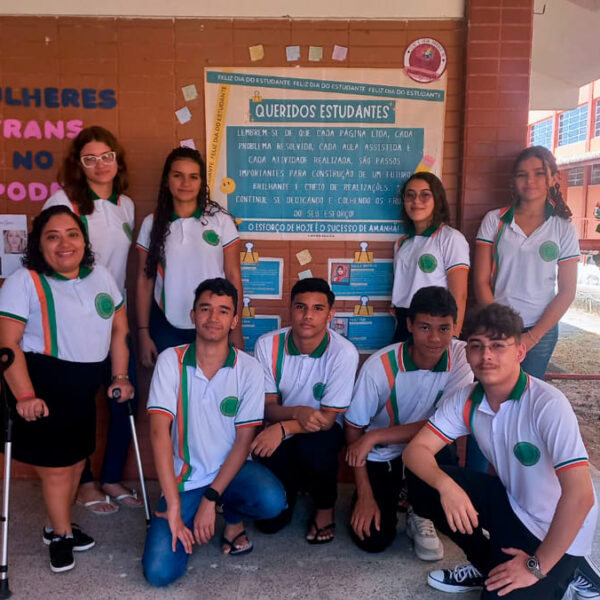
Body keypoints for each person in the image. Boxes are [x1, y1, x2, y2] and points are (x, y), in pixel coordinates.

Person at [403, 303, 597, 599]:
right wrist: (447, 488)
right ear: (466, 353)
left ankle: (570, 571)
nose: (486, 356)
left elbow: (581, 496)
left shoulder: (547, 404)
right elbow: (415, 451)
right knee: (423, 482)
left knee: (502, 595)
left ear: (520, 352)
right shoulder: (467, 398)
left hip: (559, 528)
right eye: (476, 346)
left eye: (498, 346)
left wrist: (535, 567)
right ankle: (487, 565)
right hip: (513, 504)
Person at [0, 205, 134, 573]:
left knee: (77, 460)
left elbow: (120, 330)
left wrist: (120, 376)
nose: (64, 243)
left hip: (84, 389)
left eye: (72, 234)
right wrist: (25, 396)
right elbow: (8, 346)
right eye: (52, 236)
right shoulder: (24, 281)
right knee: (57, 468)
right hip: (42, 387)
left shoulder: (101, 276)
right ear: (39, 244)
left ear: (83, 240)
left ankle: (53, 524)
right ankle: (61, 534)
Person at [141, 278, 286, 587]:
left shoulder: (249, 369)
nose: (213, 318)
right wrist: (175, 506)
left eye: (223, 311)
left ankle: (231, 516)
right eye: (205, 309)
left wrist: (211, 500)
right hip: (185, 480)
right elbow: (158, 435)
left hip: (232, 473)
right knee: (159, 573)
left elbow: (244, 441)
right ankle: (178, 511)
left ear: (235, 320)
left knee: (272, 500)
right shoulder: (171, 360)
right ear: (193, 315)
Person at [43, 125, 140, 514]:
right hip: (74, 319)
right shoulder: (64, 200)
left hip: (115, 317)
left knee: (122, 398)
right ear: (78, 165)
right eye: (90, 159)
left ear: (117, 160)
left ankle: (112, 475)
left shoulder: (127, 205)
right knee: (77, 404)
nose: (100, 165)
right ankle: (83, 482)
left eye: (107, 156)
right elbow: (48, 254)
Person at [344, 287, 473, 558]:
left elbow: (444, 423)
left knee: (457, 522)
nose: (435, 338)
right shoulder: (380, 366)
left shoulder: (462, 357)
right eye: (425, 327)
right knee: (373, 539)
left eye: (444, 328)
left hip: (430, 449)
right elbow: (354, 430)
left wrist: (375, 436)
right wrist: (365, 494)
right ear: (410, 325)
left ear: (455, 327)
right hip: (382, 456)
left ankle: (420, 509)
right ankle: (391, 495)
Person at [251, 278, 359, 544]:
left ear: (330, 314)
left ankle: (324, 507)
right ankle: (292, 491)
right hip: (280, 427)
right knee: (269, 523)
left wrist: (285, 426)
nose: (308, 316)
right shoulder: (267, 345)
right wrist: (297, 413)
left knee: (315, 448)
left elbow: (328, 419)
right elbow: (267, 408)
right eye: (300, 307)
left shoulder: (343, 353)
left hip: (324, 432)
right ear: (290, 309)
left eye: (318, 308)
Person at [474, 145, 579, 380]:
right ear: (514, 180)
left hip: (541, 331)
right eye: (522, 174)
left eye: (539, 173)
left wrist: (531, 338)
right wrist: (500, 328)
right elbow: (480, 280)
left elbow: (567, 291)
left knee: (527, 395)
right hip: (497, 325)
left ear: (553, 178)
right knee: (493, 389)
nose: (530, 180)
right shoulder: (495, 220)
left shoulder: (563, 227)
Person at [136, 147, 244, 368]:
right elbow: (144, 280)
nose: (186, 183)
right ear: (167, 180)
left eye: (193, 177)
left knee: (212, 387)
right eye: (178, 175)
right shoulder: (152, 223)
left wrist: (236, 328)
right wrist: (143, 332)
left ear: (201, 182)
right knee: (172, 391)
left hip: (213, 321)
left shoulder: (220, 220)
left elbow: (233, 275)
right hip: (166, 323)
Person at [391, 172, 470, 342]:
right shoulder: (402, 243)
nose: (416, 201)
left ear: (437, 200)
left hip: (434, 323)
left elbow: (460, 294)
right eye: (410, 195)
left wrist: (453, 337)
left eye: (425, 195)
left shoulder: (450, 238)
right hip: (405, 323)